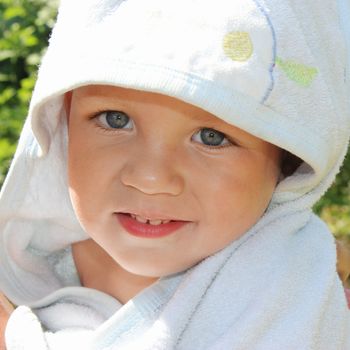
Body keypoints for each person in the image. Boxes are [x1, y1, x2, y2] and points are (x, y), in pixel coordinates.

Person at [0, 0, 349, 348]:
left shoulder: (292, 303)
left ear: (286, 161)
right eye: (114, 119)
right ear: (63, 122)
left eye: (211, 138)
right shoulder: (20, 278)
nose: (151, 177)